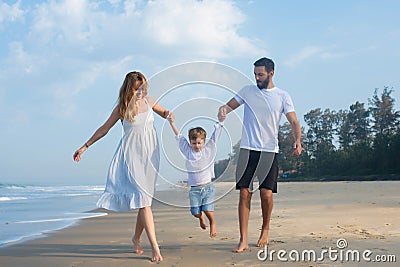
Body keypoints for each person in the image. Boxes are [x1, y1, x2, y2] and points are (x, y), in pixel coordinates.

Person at [73, 71, 173, 262]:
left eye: (143, 87)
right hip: (131, 157)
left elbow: (165, 112)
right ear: (129, 88)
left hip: (150, 156)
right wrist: (85, 147)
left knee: (144, 201)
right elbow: (104, 129)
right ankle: (155, 248)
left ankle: (136, 237)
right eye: (137, 88)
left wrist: (169, 114)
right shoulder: (122, 107)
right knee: (143, 201)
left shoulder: (150, 101)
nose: (141, 91)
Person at [218, 57, 302, 253]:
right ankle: (243, 239)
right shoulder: (247, 91)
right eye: (255, 74)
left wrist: (297, 140)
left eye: (260, 75)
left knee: (266, 194)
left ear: (271, 73)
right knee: (244, 193)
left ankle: (265, 228)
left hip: (269, 151)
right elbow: (228, 106)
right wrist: (223, 110)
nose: (257, 78)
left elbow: (294, 122)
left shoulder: (282, 96)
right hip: (248, 149)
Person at [167, 117, 224, 237]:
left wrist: (221, 122)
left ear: (204, 141)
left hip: (207, 187)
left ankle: (212, 223)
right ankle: (200, 218)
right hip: (194, 189)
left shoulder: (208, 150)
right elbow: (180, 138)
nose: (197, 146)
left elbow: (215, 136)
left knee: (208, 209)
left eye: (199, 143)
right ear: (190, 142)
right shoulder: (188, 151)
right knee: (195, 213)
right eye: (194, 143)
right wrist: (172, 122)